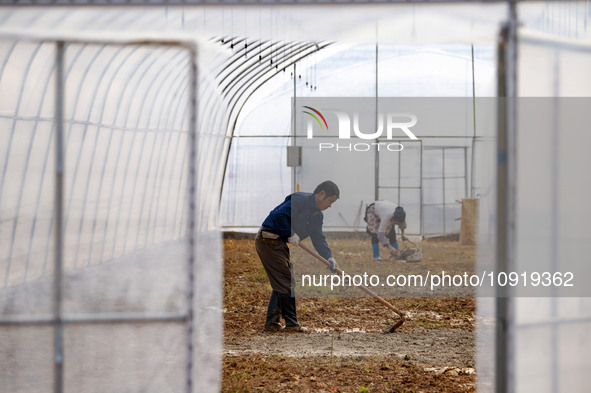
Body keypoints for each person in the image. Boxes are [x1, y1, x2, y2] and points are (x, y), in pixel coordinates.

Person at [255, 180, 340, 332]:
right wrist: (290, 233)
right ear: (321, 194)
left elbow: (319, 239)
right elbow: (279, 215)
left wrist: (329, 258)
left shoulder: (317, 216)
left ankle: (272, 323)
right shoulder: (300, 200)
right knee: (285, 280)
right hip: (268, 239)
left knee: (284, 281)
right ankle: (291, 324)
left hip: (278, 244)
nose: (330, 205)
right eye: (330, 201)